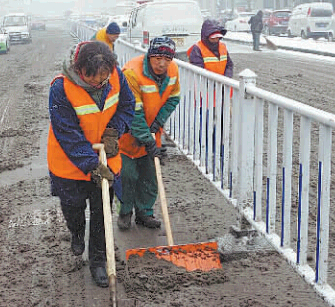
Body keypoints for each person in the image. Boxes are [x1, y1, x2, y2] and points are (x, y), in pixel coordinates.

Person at [47, 41, 135, 288]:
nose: (98, 83)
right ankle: (76, 231)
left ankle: (98, 262)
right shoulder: (60, 88)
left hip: (105, 158)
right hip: (69, 163)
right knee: (73, 207)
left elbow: (128, 106)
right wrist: (90, 165)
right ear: (79, 68)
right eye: (92, 78)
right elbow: (66, 132)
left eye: (103, 78)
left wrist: (114, 131)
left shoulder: (116, 75)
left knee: (102, 215)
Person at [117, 36, 180, 230]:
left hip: (152, 132)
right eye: (157, 58)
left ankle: (144, 212)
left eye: (167, 60)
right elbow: (132, 112)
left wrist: (157, 124)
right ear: (149, 55)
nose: (162, 64)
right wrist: (147, 139)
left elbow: (173, 98)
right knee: (127, 175)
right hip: (128, 135)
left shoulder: (173, 71)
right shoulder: (131, 73)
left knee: (150, 175)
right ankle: (125, 212)